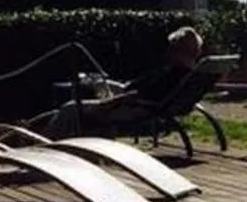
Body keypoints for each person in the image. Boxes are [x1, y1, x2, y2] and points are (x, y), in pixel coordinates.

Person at [35, 25, 205, 136]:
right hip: (134, 101)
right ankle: (52, 136)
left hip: (133, 107)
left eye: (172, 47)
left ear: (178, 49)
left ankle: (48, 143)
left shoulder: (173, 75)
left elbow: (137, 96)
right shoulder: (186, 73)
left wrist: (106, 104)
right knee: (92, 90)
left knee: (70, 108)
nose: (168, 51)